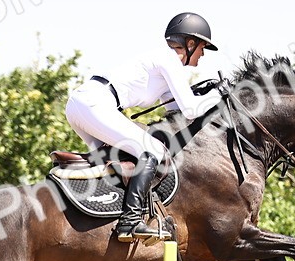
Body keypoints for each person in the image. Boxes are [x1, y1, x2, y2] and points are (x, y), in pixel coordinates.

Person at [65, 12, 221, 242]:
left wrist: (202, 95)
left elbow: (177, 110)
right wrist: (218, 94)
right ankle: (130, 222)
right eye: (202, 47)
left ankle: (103, 215)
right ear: (190, 44)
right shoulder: (169, 59)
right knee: (153, 150)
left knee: (117, 158)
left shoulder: (163, 65)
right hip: (95, 104)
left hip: (82, 104)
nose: (203, 54)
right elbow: (190, 110)